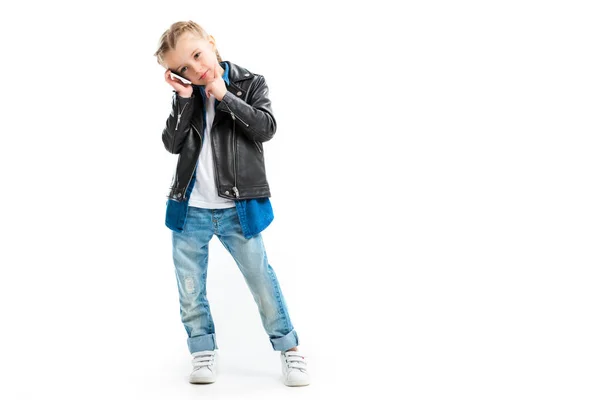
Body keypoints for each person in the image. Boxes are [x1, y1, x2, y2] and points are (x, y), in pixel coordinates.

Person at [153, 20, 310, 387]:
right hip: (190, 209)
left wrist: (225, 96)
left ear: (211, 42)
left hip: (237, 210)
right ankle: (201, 349)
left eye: (196, 55)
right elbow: (172, 144)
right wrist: (182, 98)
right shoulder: (186, 95)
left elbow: (266, 128)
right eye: (183, 69)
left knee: (261, 280)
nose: (195, 69)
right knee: (189, 286)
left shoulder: (249, 83)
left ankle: (290, 350)